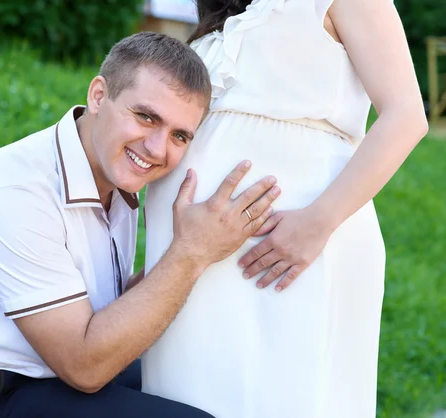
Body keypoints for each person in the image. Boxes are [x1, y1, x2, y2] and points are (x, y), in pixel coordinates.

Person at [0, 31, 280, 418]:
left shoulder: (111, 175)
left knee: (207, 382)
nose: (157, 149)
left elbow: (106, 317)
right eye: (146, 117)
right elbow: (85, 367)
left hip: (58, 378)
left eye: (179, 135)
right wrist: (191, 253)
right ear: (99, 96)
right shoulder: (16, 194)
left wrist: (201, 245)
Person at [141, 1, 428, 417]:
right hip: (195, 259)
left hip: (293, 246)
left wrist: (319, 222)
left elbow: (406, 116)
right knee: (188, 395)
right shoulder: (222, 11)